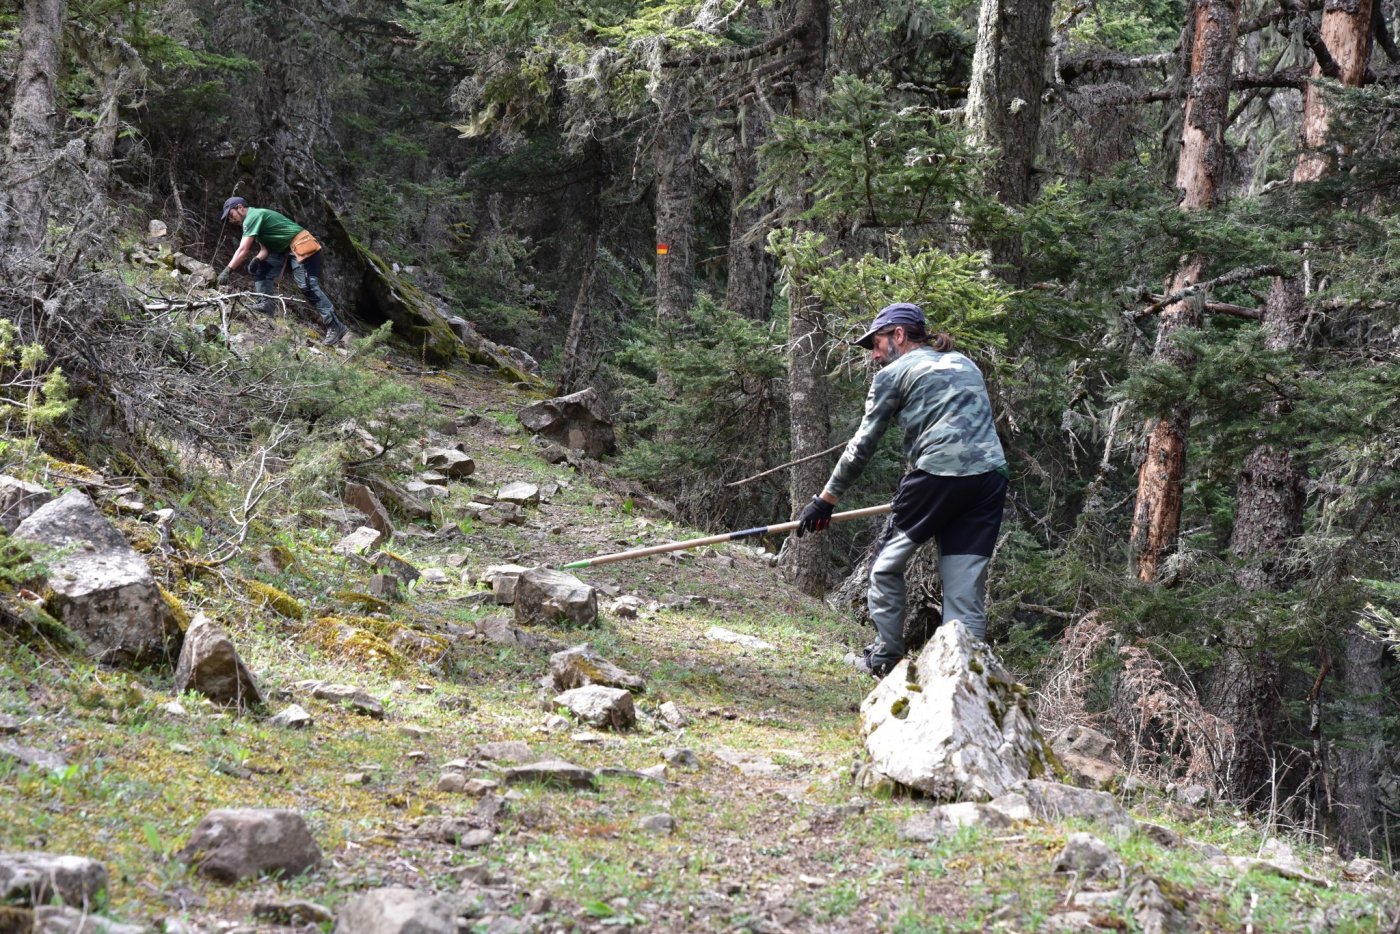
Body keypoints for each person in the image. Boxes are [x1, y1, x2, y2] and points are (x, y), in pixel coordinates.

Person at [796, 302, 1008, 678]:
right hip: (989, 479)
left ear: (898, 335)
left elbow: (863, 444)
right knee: (964, 588)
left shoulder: (894, 374)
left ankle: (885, 660)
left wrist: (824, 501)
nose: (875, 355)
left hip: (938, 474)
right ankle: (968, 682)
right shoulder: (965, 364)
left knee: (884, 565)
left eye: (876, 344)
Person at [216, 196, 348, 345]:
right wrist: (258, 259)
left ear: (240, 207)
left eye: (231, 215)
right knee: (263, 268)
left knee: (308, 285)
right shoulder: (256, 221)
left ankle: (335, 325)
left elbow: (243, 249)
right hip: (285, 249)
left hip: (301, 244)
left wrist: (228, 270)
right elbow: (265, 250)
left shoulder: (252, 217)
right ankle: (266, 304)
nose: (231, 220)